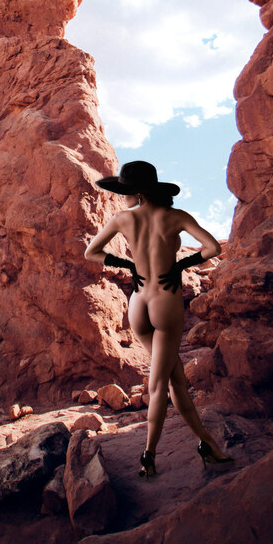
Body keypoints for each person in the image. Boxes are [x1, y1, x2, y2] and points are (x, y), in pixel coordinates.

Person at [84, 160, 233, 478]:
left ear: (138, 192)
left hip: (138, 302)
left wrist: (128, 265)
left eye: (125, 191)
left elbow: (91, 252)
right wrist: (180, 266)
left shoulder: (123, 219)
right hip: (165, 299)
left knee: (176, 379)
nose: (123, 196)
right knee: (158, 383)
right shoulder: (176, 217)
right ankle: (149, 455)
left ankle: (206, 444)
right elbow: (212, 248)